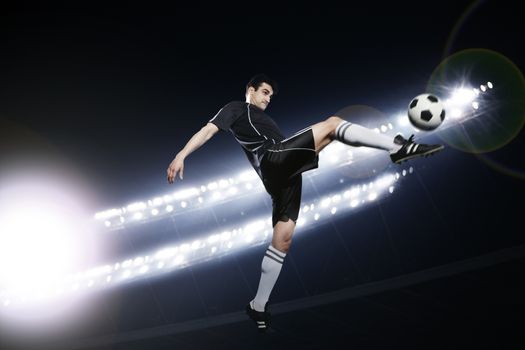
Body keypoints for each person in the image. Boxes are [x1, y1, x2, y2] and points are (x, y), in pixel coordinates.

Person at [166, 74, 443, 332]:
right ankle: (397, 148)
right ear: (250, 91)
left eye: (271, 95)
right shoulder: (237, 108)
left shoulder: (266, 121)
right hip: (273, 159)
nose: (267, 98)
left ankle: (258, 305)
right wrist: (181, 154)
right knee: (333, 124)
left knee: (283, 240)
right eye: (264, 92)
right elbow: (209, 129)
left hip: (283, 177)